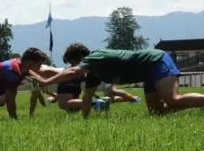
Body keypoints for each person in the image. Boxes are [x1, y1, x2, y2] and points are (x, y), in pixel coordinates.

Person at [29, 43, 204, 117]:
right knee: (157, 111)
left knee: (172, 99)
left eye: (73, 62)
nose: (73, 67)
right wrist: (85, 121)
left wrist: (45, 82)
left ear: (82, 57)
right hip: (147, 73)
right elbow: (87, 100)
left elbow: (74, 71)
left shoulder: (95, 57)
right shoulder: (94, 74)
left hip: (156, 61)